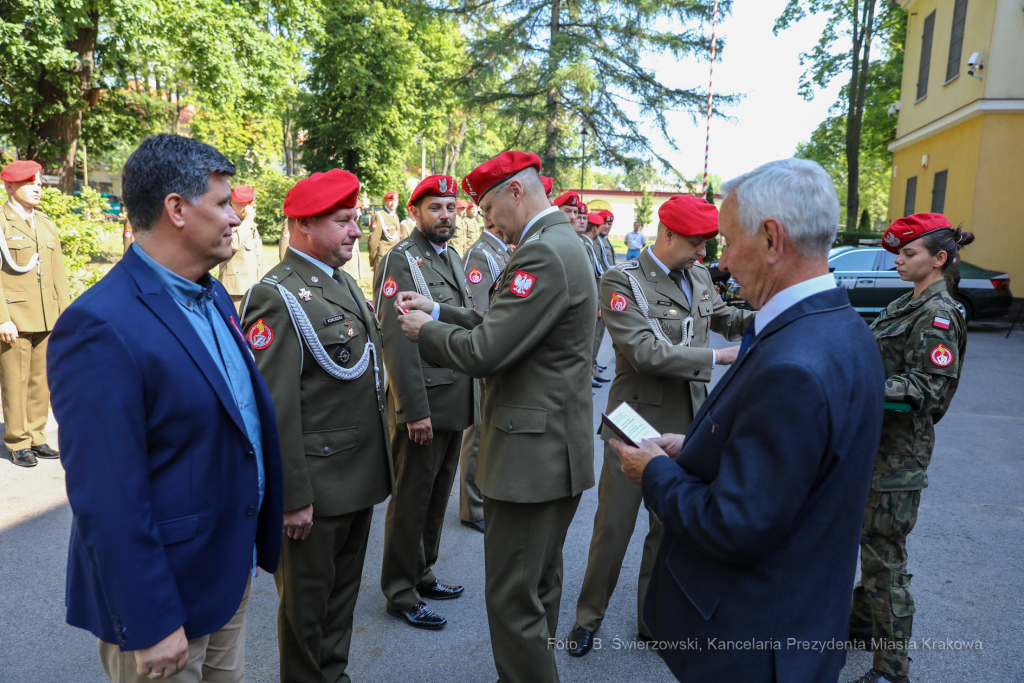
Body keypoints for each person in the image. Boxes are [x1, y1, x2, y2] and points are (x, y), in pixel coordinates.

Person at [613, 158, 885, 682]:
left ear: (771, 239)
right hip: (796, 624)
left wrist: (654, 472)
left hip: (753, 647)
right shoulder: (839, 327)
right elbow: (785, 469)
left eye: (728, 241)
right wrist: (693, 448)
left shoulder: (794, 363)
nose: (720, 260)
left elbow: (734, 524)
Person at [48, 134, 284, 682]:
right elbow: (107, 494)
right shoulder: (100, 325)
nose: (235, 218)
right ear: (176, 209)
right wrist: (150, 620)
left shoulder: (213, 294)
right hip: (165, 601)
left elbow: (239, 421)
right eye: (223, 203)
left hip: (224, 573)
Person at [394, 151, 597, 683]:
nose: (483, 220)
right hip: (553, 447)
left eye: (486, 206)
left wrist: (425, 332)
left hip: (532, 456)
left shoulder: (543, 253)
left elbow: (487, 348)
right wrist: (440, 311)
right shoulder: (555, 243)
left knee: (512, 598)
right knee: (539, 585)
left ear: (514, 192)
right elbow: (506, 321)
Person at [565, 195, 753, 656]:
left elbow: (723, 316)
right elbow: (644, 351)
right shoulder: (621, 280)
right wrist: (719, 355)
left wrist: (772, 319)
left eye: (707, 245)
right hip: (637, 425)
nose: (703, 255)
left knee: (668, 528)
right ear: (667, 234)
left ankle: (652, 618)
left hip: (690, 424)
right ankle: (588, 619)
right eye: (696, 244)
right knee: (614, 529)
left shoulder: (697, 274)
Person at [241, 168, 394, 683]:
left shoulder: (343, 281)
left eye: (356, 220)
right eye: (344, 221)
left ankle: (335, 676)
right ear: (303, 225)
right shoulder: (276, 296)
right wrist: (292, 495)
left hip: (357, 476)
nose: (356, 231)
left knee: (341, 602)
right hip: (316, 490)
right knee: (306, 613)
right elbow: (275, 406)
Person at [848, 213, 971, 683]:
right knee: (872, 541)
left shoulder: (937, 314)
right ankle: (859, 624)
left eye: (908, 253)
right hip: (873, 445)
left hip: (898, 455)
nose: (898, 260)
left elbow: (929, 390)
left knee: (884, 555)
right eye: (898, 253)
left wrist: (859, 387)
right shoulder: (907, 302)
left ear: (939, 259)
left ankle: (891, 671)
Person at [373, 175, 474, 629]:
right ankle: (399, 590)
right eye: (436, 208)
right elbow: (396, 338)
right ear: (415, 213)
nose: (446, 216)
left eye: (451, 208)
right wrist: (414, 409)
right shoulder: (401, 258)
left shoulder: (450, 256)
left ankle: (422, 571)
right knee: (412, 499)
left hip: (453, 397)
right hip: (425, 404)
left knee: (436, 497)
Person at [0, 160, 70, 467]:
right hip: (14, 318)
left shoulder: (45, 223)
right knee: (15, 380)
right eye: (30, 183)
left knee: (41, 380)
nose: (38, 187)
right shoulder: (2, 223)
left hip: (47, 315)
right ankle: (18, 440)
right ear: (10, 187)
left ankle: (37, 435)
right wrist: (2, 317)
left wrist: (66, 315)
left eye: (39, 182)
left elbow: (59, 274)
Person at [458, 213, 511, 534]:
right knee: (477, 433)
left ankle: (484, 496)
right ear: (494, 221)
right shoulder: (481, 253)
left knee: (488, 429)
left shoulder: (504, 250)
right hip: (486, 350)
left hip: (500, 350)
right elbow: (479, 312)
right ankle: (471, 506)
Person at [218, 184, 262, 312]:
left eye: (248, 204)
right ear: (233, 202)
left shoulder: (247, 222)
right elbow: (234, 244)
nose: (245, 208)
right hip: (235, 288)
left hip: (252, 284)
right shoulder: (225, 219)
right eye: (242, 204)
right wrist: (248, 221)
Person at [581, 213, 610, 387]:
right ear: (596, 228)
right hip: (593, 300)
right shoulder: (587, 244)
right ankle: (588, 375)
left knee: (597, 337)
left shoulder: (592, 243)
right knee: (590, 340)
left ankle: (593, 369)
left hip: (600, 297)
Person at [368, 190, 405, 272]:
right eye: (390, 200)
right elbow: (373, 241)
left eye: (395, 200)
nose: (393, 203)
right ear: (385, 201)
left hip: (394, 257)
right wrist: (373, 260)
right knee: (381, 283)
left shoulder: (395, 217)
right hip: (383, 257)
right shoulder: (379, 216)